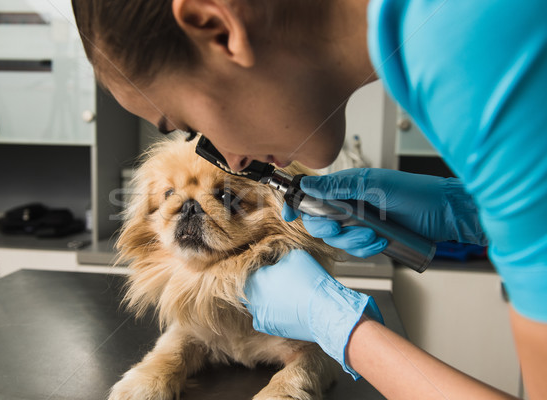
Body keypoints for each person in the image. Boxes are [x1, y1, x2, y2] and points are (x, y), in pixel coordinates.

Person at [71, 0, 547, 398]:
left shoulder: (473, 49)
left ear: (217, 27)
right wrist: (467, 211)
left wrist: (344, 331)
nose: (229, 162)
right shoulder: (431, 37)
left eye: (193, 127)